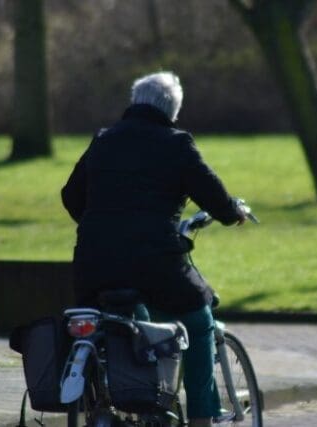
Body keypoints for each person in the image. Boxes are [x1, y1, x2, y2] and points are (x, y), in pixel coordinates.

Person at [61, 71, 247, 427]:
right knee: (197, 318)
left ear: (134, 103)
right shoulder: (176, 144)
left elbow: (71, 196)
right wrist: (231, 212)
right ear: (173, 111)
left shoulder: (103, 140)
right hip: (155, 262)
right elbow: (212, 194)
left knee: (120, 319)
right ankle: (200, 419)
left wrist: (102, 225)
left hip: (93, 262)